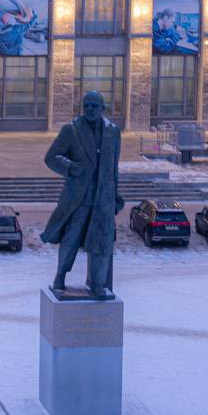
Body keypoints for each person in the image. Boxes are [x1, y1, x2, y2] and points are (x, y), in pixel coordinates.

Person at [41, 91, 125, 300]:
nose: (89, 109)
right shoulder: (71, 130)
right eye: (86, 105)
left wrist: (114, 194)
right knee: (70, 240)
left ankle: (97, 284)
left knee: (102, 243)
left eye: (94, 105)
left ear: (103, 108)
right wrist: (70, 167)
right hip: (79, 199)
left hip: (103, 199)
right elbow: (51, 157)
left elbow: (113, 168)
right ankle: (60, 276)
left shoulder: (113, 132)